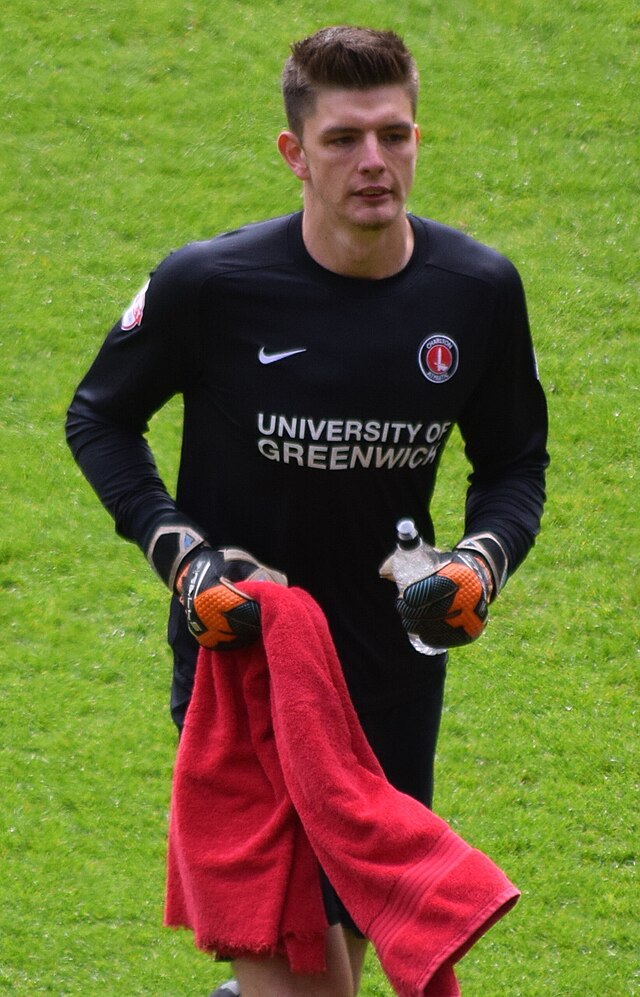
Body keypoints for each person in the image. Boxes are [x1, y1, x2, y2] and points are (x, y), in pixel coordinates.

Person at [66, 25, 548, 997]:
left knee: (337, 963)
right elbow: (99, 419)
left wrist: (477, 566)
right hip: (242, 664)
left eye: (393, 134)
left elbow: (514, 466)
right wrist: (187, 560)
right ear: (294, 152)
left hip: (386, 677)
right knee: (305, 982)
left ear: (417, 137)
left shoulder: (477, 292)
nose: (374, 162)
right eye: (342, 139)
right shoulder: (212, 284)